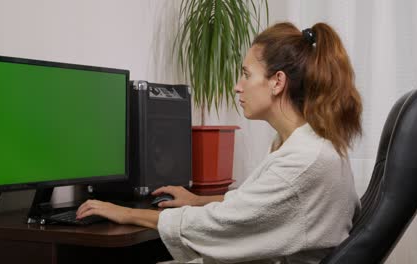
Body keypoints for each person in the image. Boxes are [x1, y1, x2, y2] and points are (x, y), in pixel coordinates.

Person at [76, 22, 362, 264]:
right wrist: (198, 199)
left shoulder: (304, 160)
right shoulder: (306, 144)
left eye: (246, 74)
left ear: (277, 82)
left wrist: (126, 213)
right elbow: (255, 204)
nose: (238, 86)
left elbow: (223, 222)